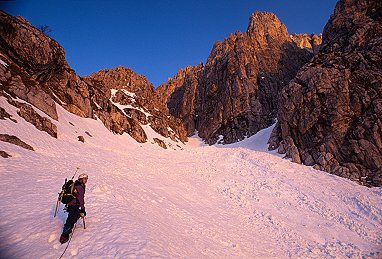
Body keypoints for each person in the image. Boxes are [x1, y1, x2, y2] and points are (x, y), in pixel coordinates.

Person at [59, 173, 88, 244]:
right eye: (85, 179)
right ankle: (65, 234)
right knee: (70, 219)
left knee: (74, 216)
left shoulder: (77, 184)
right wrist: (83, 209)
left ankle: (69, 227)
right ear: (81, 179)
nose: (86, 180)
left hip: (72, 204)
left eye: (86, 179)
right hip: (74, 205)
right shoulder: (80, 187)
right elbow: (81, 199)